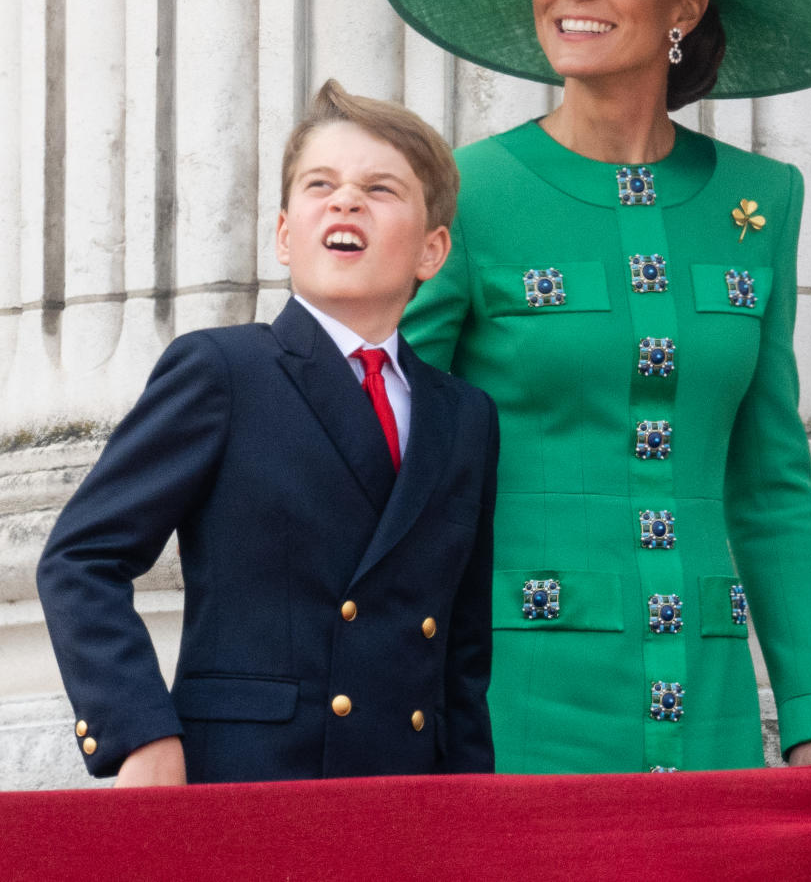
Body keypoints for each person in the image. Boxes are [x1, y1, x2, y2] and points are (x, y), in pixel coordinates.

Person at [375, 0, 811, 773]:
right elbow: (395, 458)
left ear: (686, 5)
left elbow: (768, 486)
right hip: (511, 707)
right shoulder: (466, 193)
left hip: (711, 715)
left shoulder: (760, 203)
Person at [36, 79, 499, 786]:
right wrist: (139, 731)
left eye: (380, 189)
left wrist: (472, 809)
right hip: (248, 784)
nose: (346, 200)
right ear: (286, 234)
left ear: (431, 251)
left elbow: (461, 654)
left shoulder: (465, 416)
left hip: (409, 793)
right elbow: (80, 558)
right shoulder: (224, 370)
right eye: (321, 184)